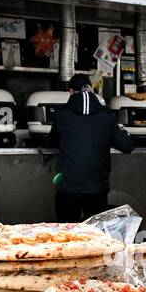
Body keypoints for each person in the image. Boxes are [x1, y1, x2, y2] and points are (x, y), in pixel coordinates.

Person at [49, 73, 133, 222]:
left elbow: (51, 142)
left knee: (67, 236)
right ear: (89, 89)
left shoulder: (61, 115)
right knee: (94, 237)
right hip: (97, 189)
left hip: (68, 187)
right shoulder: (107, 116)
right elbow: (127, 146)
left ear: (70, 92)